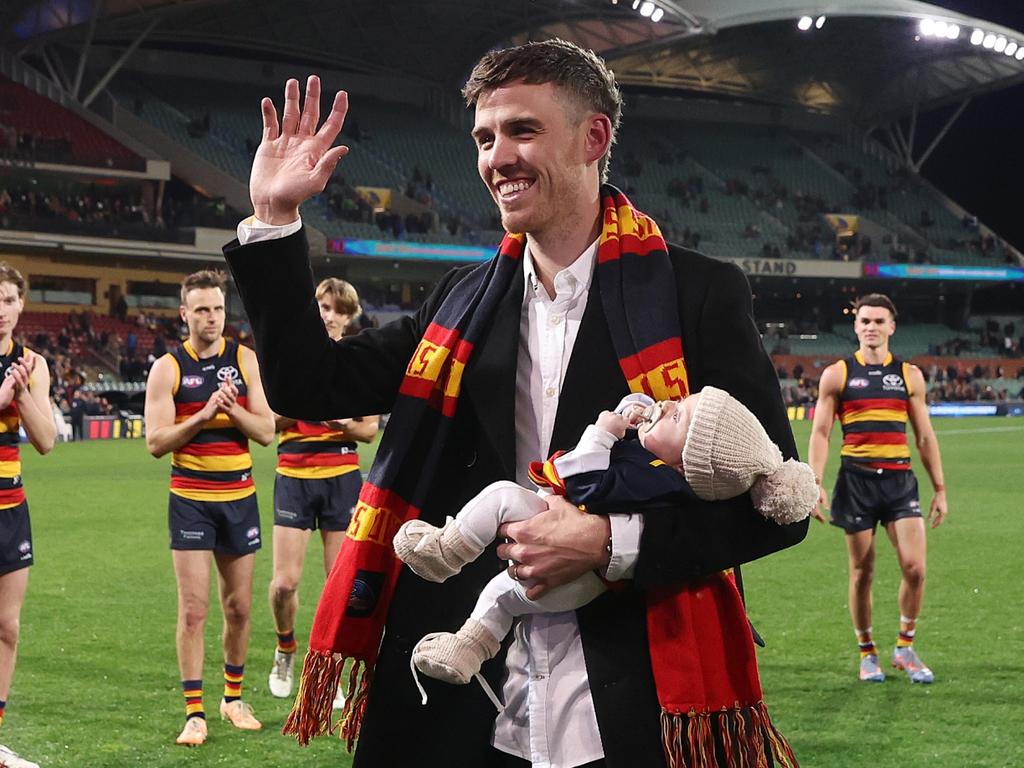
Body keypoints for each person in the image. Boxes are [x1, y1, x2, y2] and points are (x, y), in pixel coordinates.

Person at [224, 40, 807, 768]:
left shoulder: (699, 295)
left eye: (522, 130)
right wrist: (275, 220)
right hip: (466, 686)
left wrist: (610, 545)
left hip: (637, 687)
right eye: (484, 137)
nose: (497, 156)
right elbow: (314, 387)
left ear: (593, 137)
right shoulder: (460, 302)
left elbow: (774, 503)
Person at [397, 388, 814, 703]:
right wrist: (637, 410)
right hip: (586, 579)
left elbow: (585, 482)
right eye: (680, 401)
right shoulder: (663, 473)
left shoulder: (656, 479)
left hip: (582, 577)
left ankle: (445, 552)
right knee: (504, 596)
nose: (667, 406)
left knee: (502, 497)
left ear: (686, 464)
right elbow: (644, 428)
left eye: (677, 417)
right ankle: (468, 647)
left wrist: (603, 431)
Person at [144, 270, 274, 747]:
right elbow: (155, 442)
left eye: (217, 308)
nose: (211, 317)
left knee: (238, 608)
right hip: (191, 502)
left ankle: (233, 698)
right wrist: (200, 416)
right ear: (185, 314)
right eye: (201, 309)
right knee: (195, 610)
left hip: (239, 500)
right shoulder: (168, 368)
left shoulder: (245, 360)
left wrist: (231, 409)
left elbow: (265, 431)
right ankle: (195, 711)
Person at [808, 293, 947, 685]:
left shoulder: (909, 375)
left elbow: (924, 435)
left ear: (892, 327)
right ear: (855, 326)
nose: (871, 327)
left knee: (916, 569)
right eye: (864, 320)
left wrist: (940, 487)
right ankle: (868, 652)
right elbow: (821, 431)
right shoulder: (837, 373)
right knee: (862, 572)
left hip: (901, 481)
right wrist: (814, 481)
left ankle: (904, 647)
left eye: (878, 321)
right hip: (857, 481)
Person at [267, 278, 380, 702]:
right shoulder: (287, 358)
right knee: (284, 584)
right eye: (321, 306)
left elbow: (368, 429)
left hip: (342, 477)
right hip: (294, 475)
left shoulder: (357, 361)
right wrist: (303, 401)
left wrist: (340, 423)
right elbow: (268, 421)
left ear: (348, 316)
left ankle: (330, 666)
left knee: (340, 584)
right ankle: (285, 647)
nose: (327, 314)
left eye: (335, 309)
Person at [0, 263, 57, 768]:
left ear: (21, 305)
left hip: (11, 508)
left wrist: (18, 394)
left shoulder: (33, 364)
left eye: (9, 300)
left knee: (7, 627)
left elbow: (45, 441)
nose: (0, 310)